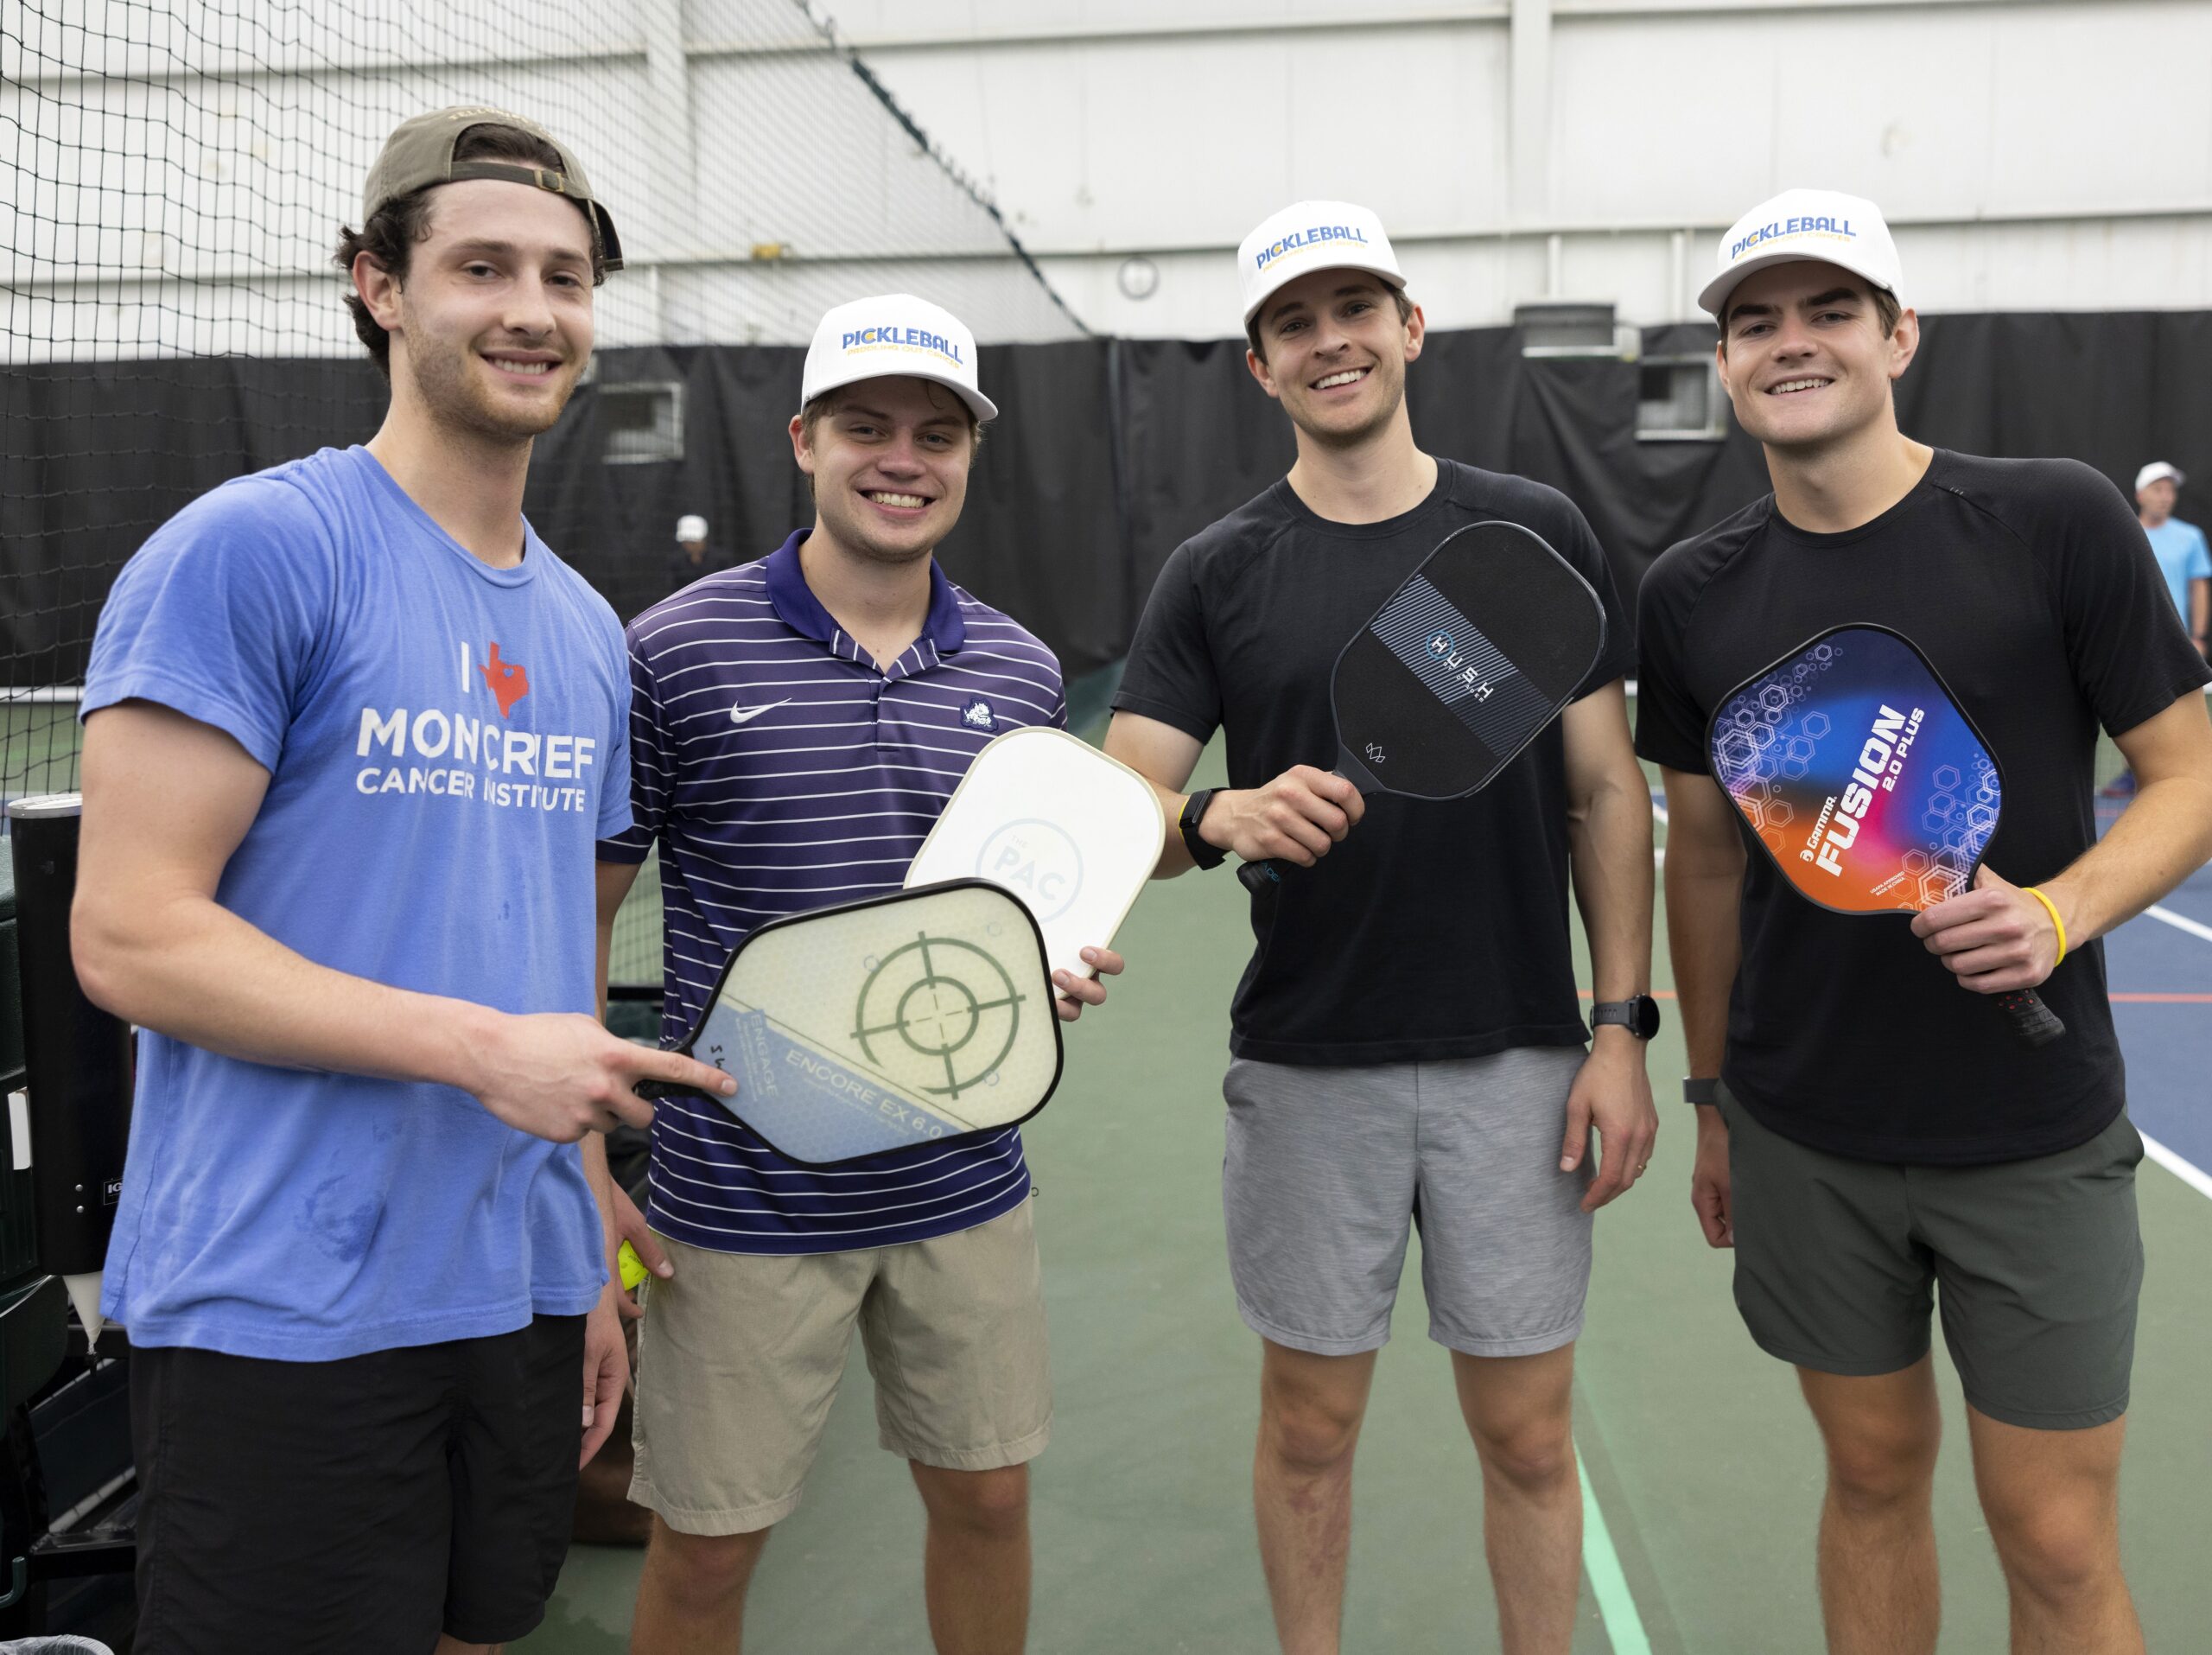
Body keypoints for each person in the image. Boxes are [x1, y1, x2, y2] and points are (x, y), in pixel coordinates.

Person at [69, 108, 734, 1654]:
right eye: (482, 267)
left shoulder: (584, 630)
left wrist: (583, 1235)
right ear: (377, 285)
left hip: (516, 1287)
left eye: (565, 277)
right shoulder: (253, 550)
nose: (532, 310)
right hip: (283, 1302)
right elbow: (131, 936)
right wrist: (482, 1052)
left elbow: (552, 960)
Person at [1638, 188, 2212, 1655]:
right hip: (1805, 1133)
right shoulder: (1691, 593)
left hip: (2033, 1130)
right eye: (1755, 321)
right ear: (1725, 362)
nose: (1792, 341)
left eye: (1830, 309)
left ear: (1899, 336)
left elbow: (2190, 775)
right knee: (1872, 1477)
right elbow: (1703, 866)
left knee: (2058, 1535)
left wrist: (2060, 911)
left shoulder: (2055, 518)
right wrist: (1709, 1100)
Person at [1103, 201, 1658, 1655]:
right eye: (1294, 323)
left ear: (1410, 328)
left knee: (1528, 1435)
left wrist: (1621, 1031)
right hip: (1309, 1063)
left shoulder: (1529, 533)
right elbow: (1120, 813)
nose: (1330, 340)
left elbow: (1606, 794)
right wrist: (1217, 814)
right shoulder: (1218, 569)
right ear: (1259, 365)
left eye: (1356, 309)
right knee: (1309, 1431)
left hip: (1520, 1062)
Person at [595, 293, 1123, 1655]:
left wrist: (1043, 973)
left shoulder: (1020, 670)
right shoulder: (673, 652)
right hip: (740, 1197)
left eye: (935, 434)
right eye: (867, 427)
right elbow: (574, 930)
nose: (903, 458)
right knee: (707, 1548)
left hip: (964, 1178)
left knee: (988, 1499)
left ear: (970, 455)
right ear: (805, 441)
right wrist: (583, 1167)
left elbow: (1004, 919)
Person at [2134, 462, 2209, 655]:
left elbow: (2198, 587)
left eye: (2170, 490)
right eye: (2158, 490)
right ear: (2140, 495)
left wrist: (2198, 637)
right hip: (2133, 641)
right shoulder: (2124, 535)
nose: (2165, 497)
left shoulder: (2191, 536)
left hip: (2177, 641)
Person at [665, 512, 723, 596]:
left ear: (704, 539)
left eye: (693, 542)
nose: (689, 546)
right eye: (686, 541)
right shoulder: (676, 561)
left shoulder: (721, 559)